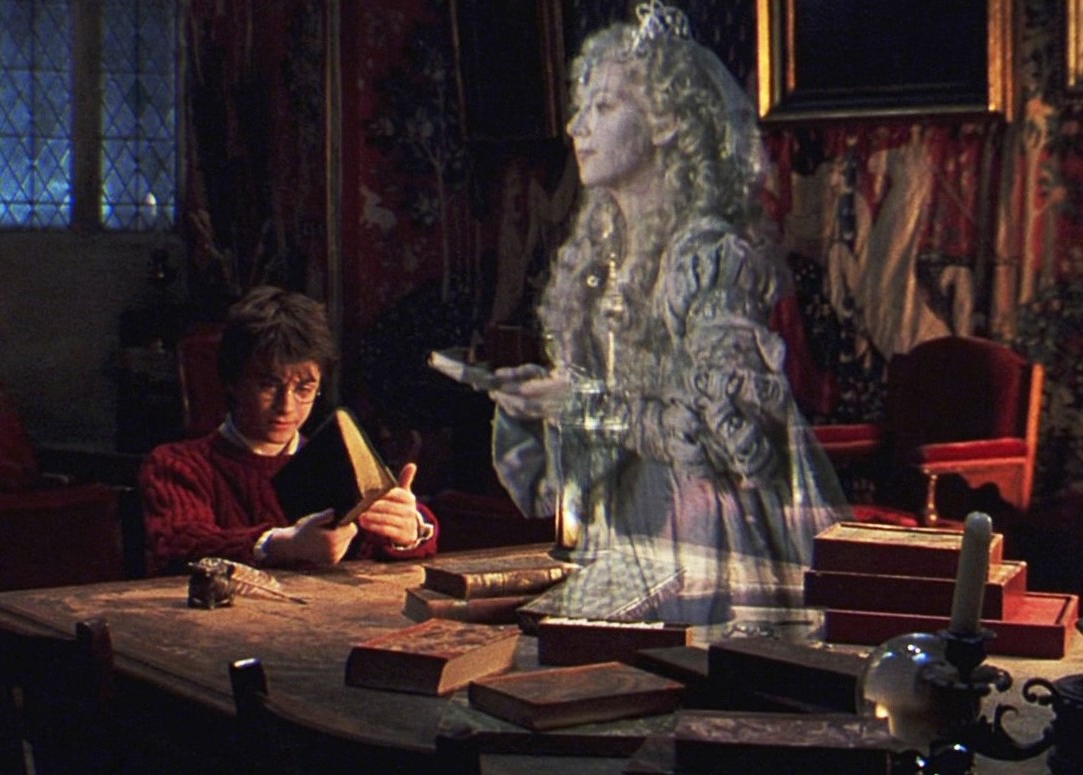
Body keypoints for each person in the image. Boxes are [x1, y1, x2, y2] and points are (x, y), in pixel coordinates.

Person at [488, 2, 847, 623]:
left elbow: (725, 435)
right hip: (622, 525)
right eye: (581, 107)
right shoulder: (601, 258)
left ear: (666, 122)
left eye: (604, 107)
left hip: (702, 534)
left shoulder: (706, 258)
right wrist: (544, 401)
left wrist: (583, 405)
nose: (576, 126)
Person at [141, 286, 437, 574]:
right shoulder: (178, 464)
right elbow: (178, 545)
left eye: (304, 389)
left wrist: (409, 529)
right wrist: (278, 545)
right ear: (233, 382)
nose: (286, 406)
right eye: (268, 386)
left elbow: (379, 545)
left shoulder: (333, 461)